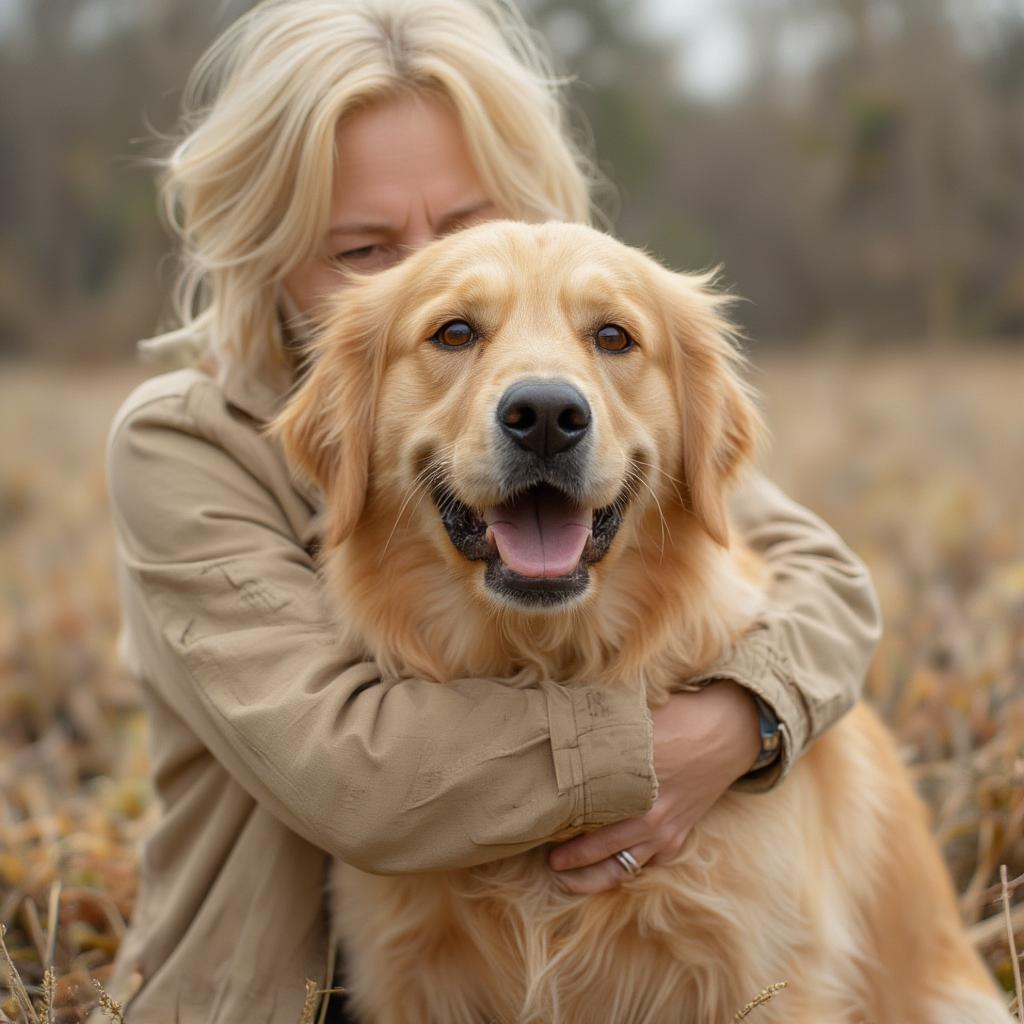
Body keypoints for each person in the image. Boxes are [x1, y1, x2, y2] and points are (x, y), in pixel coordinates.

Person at [101, 1, 881, 1021]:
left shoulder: (614, 390)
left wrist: (741, 717)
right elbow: (355, 776)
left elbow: (826, 583)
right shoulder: (184, 443)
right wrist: (652, 753)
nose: (541, 395)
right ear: (271, 248)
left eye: (470, 228)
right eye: (366, 250)